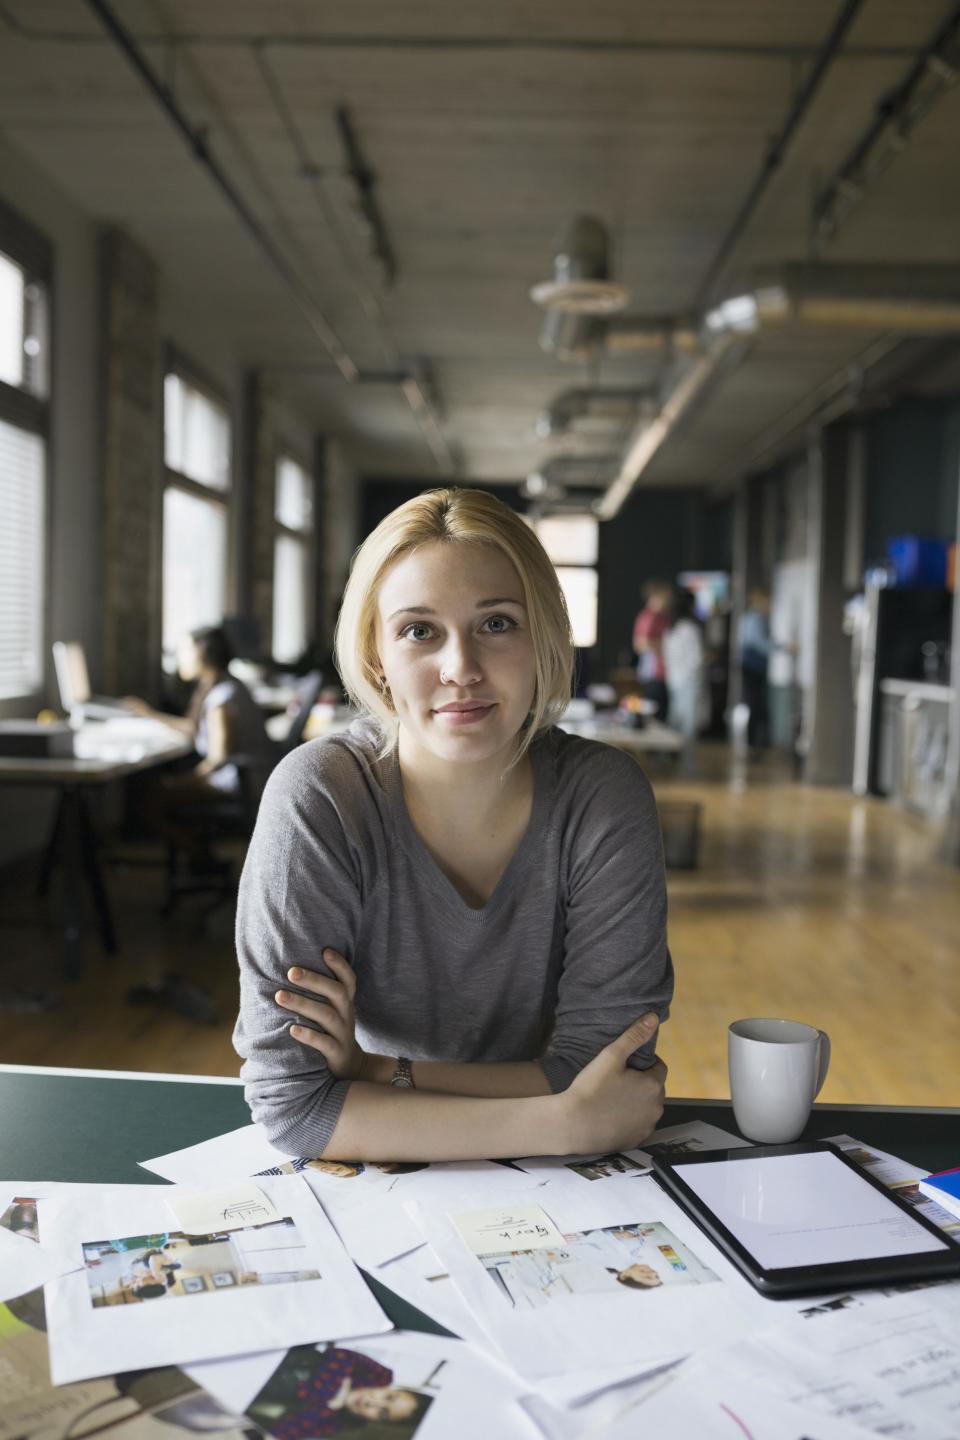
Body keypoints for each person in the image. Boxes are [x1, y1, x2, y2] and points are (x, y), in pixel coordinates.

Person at [234, 487, 672, 1164]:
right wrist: (564, 1124)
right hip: (384, 1183)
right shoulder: (320, 796)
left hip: (500, 1175)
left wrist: (375, 1074)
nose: (461, 669)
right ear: (377, 655)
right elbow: (293, 1109)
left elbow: (604, 1072)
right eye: (419, 630)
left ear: (544, 636)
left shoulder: (602, 797)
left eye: (497, 623)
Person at [131, 625, 273, 853]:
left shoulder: (221, 700)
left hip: (239, 783)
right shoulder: (224, 684)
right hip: (245, 778)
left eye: (185, 650)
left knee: (151, 800)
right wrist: (149, 714)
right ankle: (201, 858)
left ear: (204, 654)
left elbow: (218, 758)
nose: (180, 658)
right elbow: (193, 728)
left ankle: (202, 855)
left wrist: (182, 782)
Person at [662, 589, 703, 749]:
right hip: (689, 681)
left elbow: (667, 656)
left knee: (675, 720)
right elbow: (697, 659)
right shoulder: (690, 629)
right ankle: (686, 759)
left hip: (673, 679)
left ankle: (672, 757)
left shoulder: (671, 629)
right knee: (688, 724)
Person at [737, 589, 773, 753]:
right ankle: (753, 742)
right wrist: (783, 648)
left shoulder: (750, 618)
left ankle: (755, 741)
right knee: (754, 703)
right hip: (753, 667)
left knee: (756, 703)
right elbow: (759, 643)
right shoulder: (755, 619)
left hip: (751, 666)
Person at [632, 581, 672, 720]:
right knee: (655, 715)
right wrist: (667, 645)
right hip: (653, 674)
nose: (668, 601)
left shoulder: (663, 617)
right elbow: (640, 644)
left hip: (665, 673)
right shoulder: (648, 617)